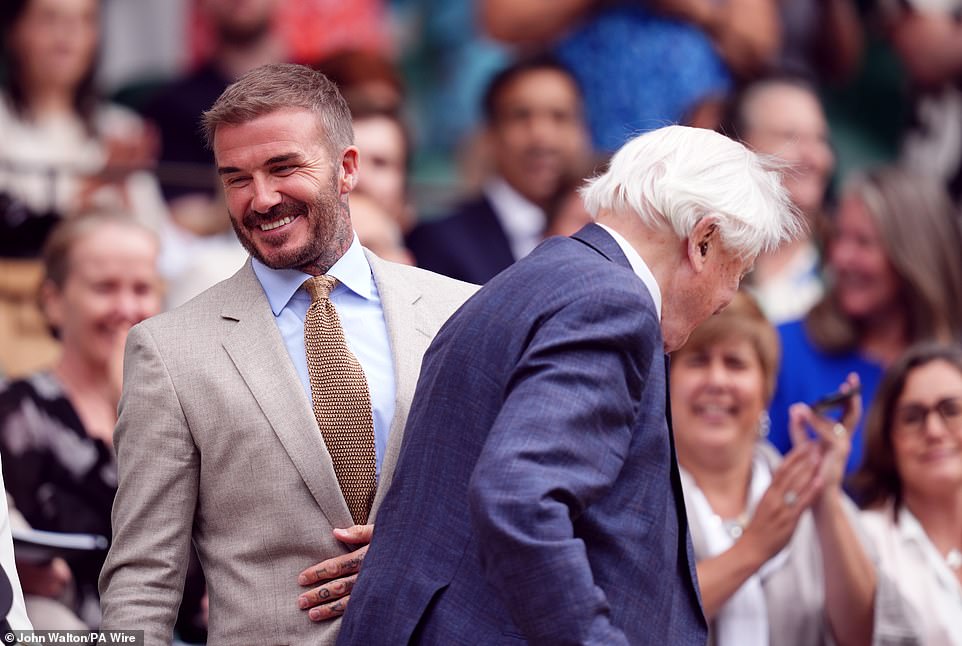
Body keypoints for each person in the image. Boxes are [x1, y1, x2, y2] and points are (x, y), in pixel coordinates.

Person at [337, 125, 799, 644]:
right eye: (739, 269)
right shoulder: (612, 303)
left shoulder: (533, 278)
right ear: (704, 241)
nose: (728, 296)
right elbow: (518, 499)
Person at [98, 63, 476, 645]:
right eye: (237, 178)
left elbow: (516, 513)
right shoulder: (169, 352)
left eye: (283, 168)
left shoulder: (461, 312)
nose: (262, 198)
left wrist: (416, 554)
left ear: (347, 168)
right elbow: (142, 580)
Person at [672, 291, 919, 645]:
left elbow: (868, 636)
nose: (717, 381)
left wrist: (826, 497)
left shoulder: (804, 487)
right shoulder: (640, 494)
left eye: (735, 363)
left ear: (766, 389)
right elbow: (633, 620)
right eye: (698, 361)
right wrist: (754, 548)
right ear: (668, 380)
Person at [0, 212, 164, 629]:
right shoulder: (17, 411)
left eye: (142, 288)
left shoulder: (185, 403)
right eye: (104, 288)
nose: (127, 309)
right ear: (54, 301)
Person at [0, 0, 167, 378]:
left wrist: (123, 188)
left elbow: (156, 242)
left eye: (83, 21)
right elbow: (15, 232)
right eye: (50, 19)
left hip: (120, 317)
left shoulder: (120, 126)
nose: (67, 36)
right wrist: (96, 184)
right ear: (14, 31)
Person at [769, 167, 962, 475]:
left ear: (914, 256)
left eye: (863, 242)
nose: (841, 257)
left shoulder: (952, 372)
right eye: (839, 237)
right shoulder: (782, 349)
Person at [406, 53, 591, 284]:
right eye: (521, 116)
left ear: (583, 131)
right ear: (491, 134)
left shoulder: (603, 233)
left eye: (560, 117)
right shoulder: (440, 242)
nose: (542, 136)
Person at [850, 341, 962, 645]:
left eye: (951, 410)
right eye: (913, 417)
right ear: (888, 439)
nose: (935, 431)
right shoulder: (863, 540)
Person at [719, 75, 835, 324]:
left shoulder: (841, 264)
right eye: (790, 136)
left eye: (820, 139)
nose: (813, 157)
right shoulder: (701, 251)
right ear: (741, 145)